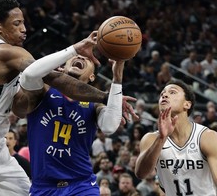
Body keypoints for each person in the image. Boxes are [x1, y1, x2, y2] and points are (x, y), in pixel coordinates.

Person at [0, 0, 116, 196]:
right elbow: (52, 78)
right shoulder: (2, 51)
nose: (24, 28)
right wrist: (104, 95)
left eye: (23, 22)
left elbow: (25, 99)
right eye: (17, 24)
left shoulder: (16, 54)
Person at [12, 52, 138, 195]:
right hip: (44, 187)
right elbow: (29, 74)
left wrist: (117, 78)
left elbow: (109, 127)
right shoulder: (43, 91)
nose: (82, 57)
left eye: (89, 59)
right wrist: (71, 49)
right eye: (77, 55)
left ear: (92, 76)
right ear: (62, 68)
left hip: (81, 185)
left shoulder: (94, 104)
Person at [135, 79, 217, 195]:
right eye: (162, 93)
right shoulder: (151, 139)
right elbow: (141, 173)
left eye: (172, 92)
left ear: (187, 104)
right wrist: (161, 139)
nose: (164, 95)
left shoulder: (207, 137)